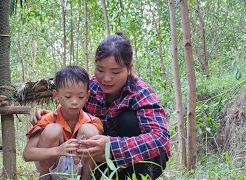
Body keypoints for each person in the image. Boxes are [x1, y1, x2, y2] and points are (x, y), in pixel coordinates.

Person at [32, 32, 170, 180]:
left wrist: (112, 146)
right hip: (99, 160)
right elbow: (75, 113)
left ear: (129, 69)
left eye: (115, 72)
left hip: (139, 161)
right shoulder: (88, 88)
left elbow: (160, 138)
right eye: (100, 70)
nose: (106, 78)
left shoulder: (140, 92)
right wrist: (52, 116)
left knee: (128, 120)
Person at [23, 66, 104, 180]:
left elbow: (100, 152)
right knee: (53, 129)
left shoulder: (92, 121)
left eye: (80, 96)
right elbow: (27, 154)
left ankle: (86, 178)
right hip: (52, 165)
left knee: (89, 130)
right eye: (68, 96)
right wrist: (58, 150)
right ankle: (45, 178)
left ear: (87, 96)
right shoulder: (47, 119)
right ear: (56, 95)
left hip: (79, 169)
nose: (75, 102)